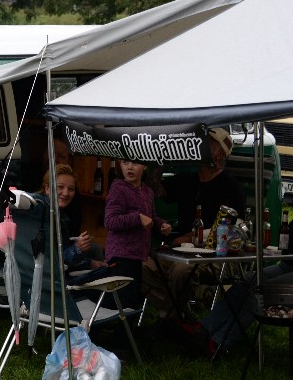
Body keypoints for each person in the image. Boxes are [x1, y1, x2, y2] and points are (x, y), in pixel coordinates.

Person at [143, 127, 246, 320]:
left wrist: (189, 238)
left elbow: (235, 230)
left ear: (219, 154)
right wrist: (158, 163)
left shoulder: (231, 187)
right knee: (142, 265)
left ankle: (171, 318)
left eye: (207, 144)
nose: (199, 147)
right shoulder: (187, 181)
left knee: (181, 271)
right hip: (179, 251)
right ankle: (184, 308)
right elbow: (153, 190)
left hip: (215, 255)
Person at [104, 159, 171, 308]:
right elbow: (110, 221)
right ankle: (115, 330)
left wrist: (162, 225)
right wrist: (138, 218)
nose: (129, 167)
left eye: (135, 163)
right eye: (125, 163)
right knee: (124, 305)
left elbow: (152, 217)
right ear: (120, 165)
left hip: (139, 257)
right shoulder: (118, 188)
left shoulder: (147, 191)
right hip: (121, 256)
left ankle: (130, 330)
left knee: (134, 302)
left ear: (145, 165)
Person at [38, 164, 105, 272]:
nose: (66, 193)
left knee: (95, 249)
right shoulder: (41, 214)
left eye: (71, 189)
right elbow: (52, 261)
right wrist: (77, 248)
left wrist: (90, 263)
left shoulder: (60, 213)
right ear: (47, 188)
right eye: (60, 187)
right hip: (49, 280)